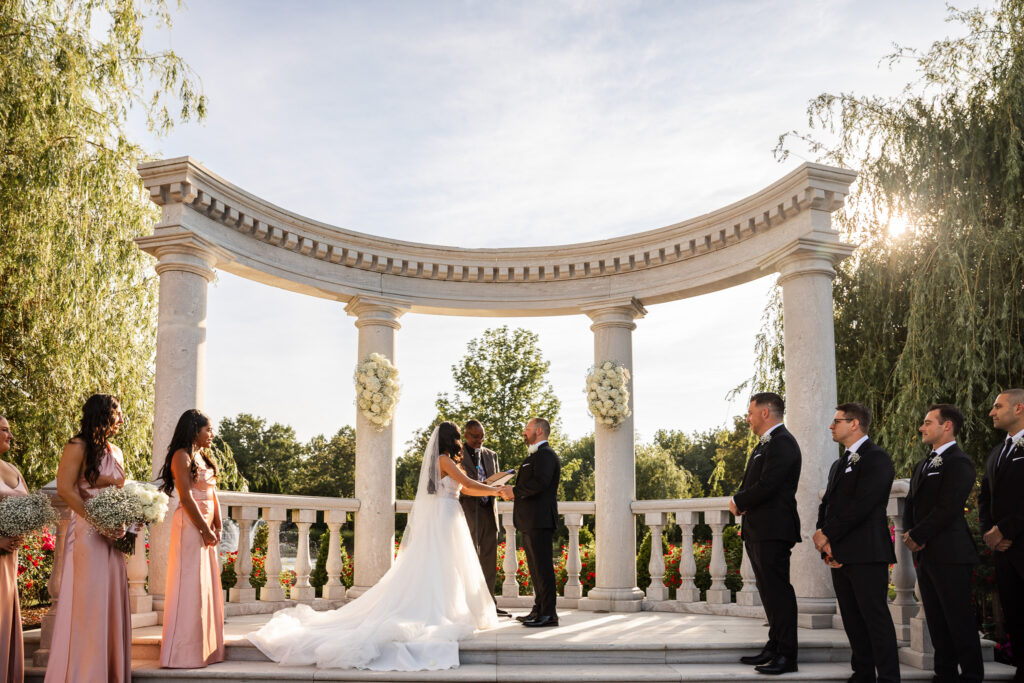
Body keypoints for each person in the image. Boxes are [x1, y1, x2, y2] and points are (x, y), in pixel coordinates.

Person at [247, 421, 510, 671]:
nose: (461, 440)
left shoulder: (452, 462)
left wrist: (492, 489)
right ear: (450, 439)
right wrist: (496, 492)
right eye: (457, 435)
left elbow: (469, 490)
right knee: (440, 565)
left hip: (452, 517)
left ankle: (451, 608)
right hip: (443, 517)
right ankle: (437, 611)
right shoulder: (443, 460)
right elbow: (467, 484)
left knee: (451, 567)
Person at [45, 394, 131, 683]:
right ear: (103, 414)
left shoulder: (116, 451)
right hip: (88, 532)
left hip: (113, 537)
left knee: (111, 600)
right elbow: (66, 490)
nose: (121, 419)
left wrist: (122, 524)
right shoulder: (77, 446)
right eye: (117, 413)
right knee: (89, 602)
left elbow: (120, 494)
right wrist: (99, 522)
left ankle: (108, 672)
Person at [815, 402, 899, 683]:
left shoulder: (877, 458)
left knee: (875, 619)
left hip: (866, 552)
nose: (831, 426)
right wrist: (823, 538)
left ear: (854, 424)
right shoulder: (839, 463)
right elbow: (827, 504)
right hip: (838, 552)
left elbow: (864, 504)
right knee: (851, 619)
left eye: (836, 421)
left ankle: (888, 677)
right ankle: (861, 674)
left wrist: (828, 534)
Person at [903, 404, 983, 683]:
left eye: (927, 422)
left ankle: (972, 675)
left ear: (946, 425)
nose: (922, 428)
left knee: (958, 620)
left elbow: (948, 508)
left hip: (951, 554)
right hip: (926, 555)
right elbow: (911, 503)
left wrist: (918, 536)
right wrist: (909, 533)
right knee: (936, 621)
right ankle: (944, 673)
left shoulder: (959, 462)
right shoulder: (923, 463)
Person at [730, 392, 801, 675]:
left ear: (765, 412)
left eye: (750, 412)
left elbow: (769, 484)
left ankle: (787, 656)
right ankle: (774, 646)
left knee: (779, 593)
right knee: (768, 593)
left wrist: (739, 501)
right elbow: (755, 481)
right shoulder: (766, 443)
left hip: (774, 529)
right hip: (759, 530)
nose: (747, 418)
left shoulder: (783, 442)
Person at [157, 409, 225, 668]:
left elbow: (212, 493)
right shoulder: (181, 456)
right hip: (190, 526)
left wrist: (217, 525)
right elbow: (185, 498)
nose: (212, 434)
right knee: (189, 586)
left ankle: (206, 650)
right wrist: (204, 530)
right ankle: (183, 653)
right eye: (208, 429)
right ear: (194, 429)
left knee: (205, 587)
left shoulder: (203, 457)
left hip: (206, 526)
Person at [980, 388, 1024, 680]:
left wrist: (1005, 529)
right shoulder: (997, 453)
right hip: (1004, 552)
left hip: (1020, 543)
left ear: (1019, 408)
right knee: (1015, 616)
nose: (992, 412)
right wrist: (989, 532)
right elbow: (984, 498)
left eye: (998, 406)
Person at [512, 417, 560, 628]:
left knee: (543, 569)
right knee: (535, 569)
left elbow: (540, 483)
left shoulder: (546, 455)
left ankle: (549, 614)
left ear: (539, 431)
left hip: (540, 520)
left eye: (527, 428)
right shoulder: (535, 455)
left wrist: (512, 491)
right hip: (530, 521)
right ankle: (538, 609)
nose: (524, 432)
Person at [458, 419, 508, 617]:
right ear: (466, 435)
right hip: (467, 512)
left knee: (488, 560)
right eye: (475, 437)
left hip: (488, 513)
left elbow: (494, 481)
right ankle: (467, 606)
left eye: (482, 437)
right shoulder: (457, 455)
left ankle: (489, 604)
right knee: (467, 560)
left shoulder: (491, 455)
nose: (479, 441)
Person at [0, 415, 27, 683]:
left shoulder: (11, 468)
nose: (10, 435)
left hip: (9, 560)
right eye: (5, 430)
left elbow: (28, 507)